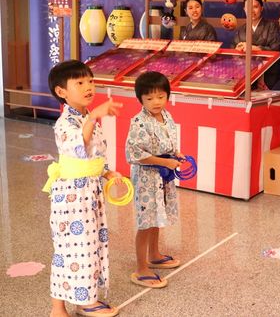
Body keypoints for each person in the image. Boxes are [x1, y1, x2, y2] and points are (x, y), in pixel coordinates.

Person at [46, 60, 123, 317]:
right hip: (72, 196)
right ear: (61, 92)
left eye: (90, 81)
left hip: (88, 192)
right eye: (79, 82)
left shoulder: (86, 117)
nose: (88, 86)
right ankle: (58, 308)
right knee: (71, 248)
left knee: (90, 247)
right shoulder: (65, 122)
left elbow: (94, 155)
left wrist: (108, 173)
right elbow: (79, 149)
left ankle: (84, 299)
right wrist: (93, 116)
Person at [126, 71, 183, 289]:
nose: (156, 102)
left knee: (157, 217)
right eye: (149, 98)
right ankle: (141, 268)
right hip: (146, 178)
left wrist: (177, 154)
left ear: (167, 95)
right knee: (146, 221)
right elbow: (134, 154)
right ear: (140, 99)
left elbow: (169, 142)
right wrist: (165, 162)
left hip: (161, 175)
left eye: (160, 96)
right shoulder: (139, 122)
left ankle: (154, 254)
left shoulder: (166, 116)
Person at [233, 0, 280, 89]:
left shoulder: (271, 26)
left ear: (261, 8)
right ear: (244, 9)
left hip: (266, 76)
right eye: (248, 7)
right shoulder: (241, 30)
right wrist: (238, 50)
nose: (251, 10)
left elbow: (275, 49)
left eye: (255, 7)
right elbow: (233, 51)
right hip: (245, 76)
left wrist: (254, 48)